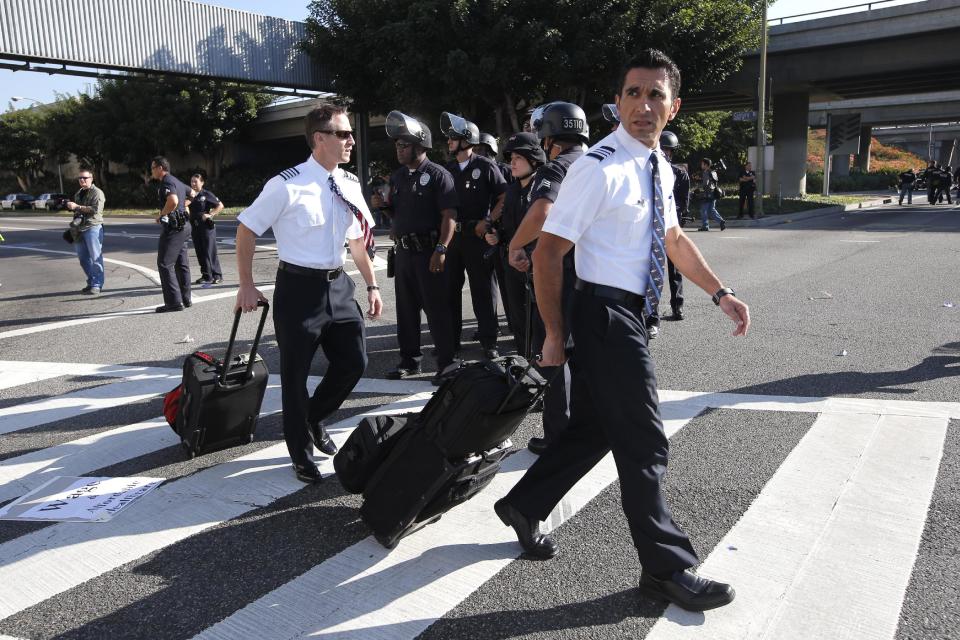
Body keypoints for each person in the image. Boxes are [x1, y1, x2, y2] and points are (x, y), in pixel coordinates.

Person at [494, 49, 749, 613]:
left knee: (595, 428)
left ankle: (524, 503)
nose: (642, 105)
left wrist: (720, 291)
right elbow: (548, 253)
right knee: (645, 440)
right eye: (632, 94)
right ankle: (666, 569)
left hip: (633, 313)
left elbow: (675, 240)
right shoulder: (598, 167)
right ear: (616, 103)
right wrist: (555, 334)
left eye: (655, 95)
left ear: (673, 107)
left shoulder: (657, 166)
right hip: (603, 317)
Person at [234, 104, 383, 484]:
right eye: (343, 134)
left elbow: (355, 241)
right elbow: (247, 229)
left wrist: (372, 284)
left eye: (350, 134)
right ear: (320, 139)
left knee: (354, 362)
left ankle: (313, 417)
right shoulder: (286, 184)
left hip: (339, 286)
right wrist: (246, 284)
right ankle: (300, 453)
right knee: (296, 376)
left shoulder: (348, 184)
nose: (351, 140)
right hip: (299, 290)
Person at [507, 101, 588, 455]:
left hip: (563, 272)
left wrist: (516, 244)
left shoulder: (556, 168)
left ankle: (559, 435)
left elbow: (542, 210)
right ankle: (590, 429)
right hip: (601, 275)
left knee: (554, 351)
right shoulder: (601, 162)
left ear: (550, 134)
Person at [381, 110, 458, 383]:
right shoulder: (399, 177)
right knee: (406, 309)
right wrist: (386, 210)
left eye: (403, 145)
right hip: (403, 253)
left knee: (436, 309)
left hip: (429, 252)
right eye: (397, 145)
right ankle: (410, 361)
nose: (398, 150)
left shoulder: (438, 175)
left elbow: (449, 216)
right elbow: (399, 213)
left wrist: (441, 249)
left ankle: (447, 363)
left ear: (420, 144)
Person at [441, 112, 507, 359]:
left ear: (467, 140)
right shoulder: (446, 169)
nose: (448, 142)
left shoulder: (486, 166)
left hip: (477, 237)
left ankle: (489, 341)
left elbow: (504, 195)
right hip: (452, 238)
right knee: (449, 290)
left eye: (453, 138)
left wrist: (489, 220)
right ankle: (451, 341)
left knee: (483, 290)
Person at [484, 132, 547, 358]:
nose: (512, 162)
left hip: (538, 265)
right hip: (511, 265)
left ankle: (544, 368)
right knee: (518, 320)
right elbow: (508, 228)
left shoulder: (545, 188)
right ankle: (523, 365)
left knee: (541, 321)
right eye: (511, 157)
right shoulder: (511, 190)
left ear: (533, 159)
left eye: (518, 158)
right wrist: (496, 236)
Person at [647, 130, 687, 333]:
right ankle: (653, 315)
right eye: (665, 150)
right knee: (656, 271)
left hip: (669, 226)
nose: (667, 154)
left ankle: (676, 306)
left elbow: (683, 202)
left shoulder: (678, 173)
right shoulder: (654, 169)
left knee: (671, 269)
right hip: (656, 227)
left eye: (669, 151)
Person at [150, 156, 193, 313]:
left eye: (153, 167)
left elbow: (173, 201)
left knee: (164, 264)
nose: (152, 171)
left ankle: (174, 303)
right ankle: (186, 298)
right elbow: (193, 193)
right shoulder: (178, 181)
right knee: (181, 263)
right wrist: (184, 206)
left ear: (160, 168)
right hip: (184, 225)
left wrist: (162, 214)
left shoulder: (167, 181)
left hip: (174, 227)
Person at [65, 168, 105, 295]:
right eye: (80, 178)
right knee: (83, 258)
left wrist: (77, 207)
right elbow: (78, 212)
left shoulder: (97, 193)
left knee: (95, 258)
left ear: (91, 179)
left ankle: (97, 284)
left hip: (92, 227)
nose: (82, 180)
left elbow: (95, 210)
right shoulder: (78, 193)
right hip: (79, 229)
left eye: (85, 178)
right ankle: (91, 281)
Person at [188, 173, 224, 286]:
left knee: (210, 251)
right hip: (194, 226)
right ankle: (206, 275)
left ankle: (217, 275)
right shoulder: (190, 195)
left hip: (206, 227)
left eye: (196, 181)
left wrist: (211, 214)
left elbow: (220, 205)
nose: (193, 183)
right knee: (200, 251)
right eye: (192, 181)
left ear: (202, 183)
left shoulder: (206, 194)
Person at [697, 158, 725, 231]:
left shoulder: (706, 172)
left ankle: (705, 226)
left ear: (706, 165)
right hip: (714, 193)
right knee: (711, 209)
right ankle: (721, 221)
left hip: (707, 193)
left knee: (703, 210)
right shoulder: (713, 172)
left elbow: (705, 184)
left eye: (702, 164)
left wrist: (700, 189)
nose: (701, 165)